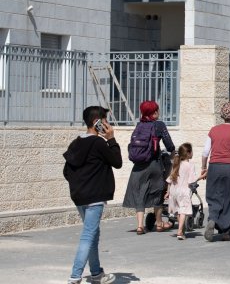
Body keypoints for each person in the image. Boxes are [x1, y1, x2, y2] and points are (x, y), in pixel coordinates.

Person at [63, 106, 122, 284]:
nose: (107, 124)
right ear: (97, 123)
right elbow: (117, 162)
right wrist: (111, 139)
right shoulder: (99, 143)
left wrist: (80, 185)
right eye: (105, 120)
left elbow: (67, 171)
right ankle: (75, 277)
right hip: (95, 198)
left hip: (80, 197)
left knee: (93, 234)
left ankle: (96, 273)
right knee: (88, 235)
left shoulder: (76, 143)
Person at [123, 101, 175, 235]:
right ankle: (159, 223)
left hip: (138, 166)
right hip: (154, 164)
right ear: (154, 112)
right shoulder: (159, 125)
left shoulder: (139, 125)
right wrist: (173, 153)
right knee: (157, 193)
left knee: (140, 193)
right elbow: (169, 145)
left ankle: (140, 226)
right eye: (157, 110)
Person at [201, 101, 230, 242]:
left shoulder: (213, 130)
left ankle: (213, 218)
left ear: (222, 115)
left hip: (215, 167)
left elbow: (205, 152)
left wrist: (204, 168)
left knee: (214, 196)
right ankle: (227, 232)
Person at [165, 143, 197, 241]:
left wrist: (167, 191)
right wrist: (201, 176)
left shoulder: (177, 163)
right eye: (191, 151)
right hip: (183, 191)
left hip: (174, 191)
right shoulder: (190, 165)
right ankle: (179, 232)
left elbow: (170, 179)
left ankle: (181, 230)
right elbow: (192, 180)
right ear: (188, 153)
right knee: (183, 211)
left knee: (179, 211)